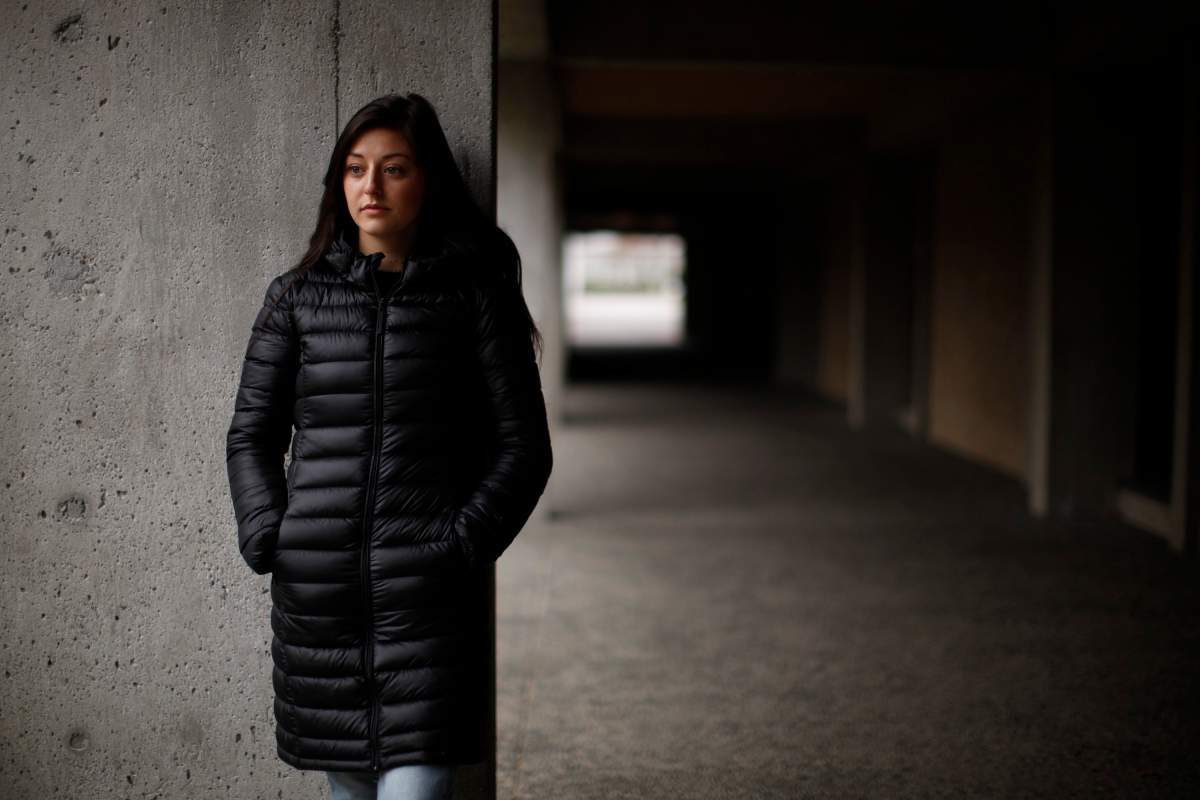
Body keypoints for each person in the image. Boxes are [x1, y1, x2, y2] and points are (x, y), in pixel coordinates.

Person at [225, 93, 554, 800]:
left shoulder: (474, 298)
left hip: (427, 603)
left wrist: (459, 546)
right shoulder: (295, 299)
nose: (369, 187)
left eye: (393, 168)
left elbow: (524, 449)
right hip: (319, 605)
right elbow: (251, 433)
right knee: (349, 792)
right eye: (354, 168)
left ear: (427, 179)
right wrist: (268, 533)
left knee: (418, 788)